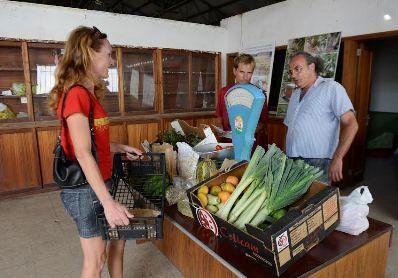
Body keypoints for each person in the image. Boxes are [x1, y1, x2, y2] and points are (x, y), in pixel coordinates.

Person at [49, 26, 142, 278]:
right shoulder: (77, 95)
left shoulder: (90, 94)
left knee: (117, 242)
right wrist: (108, 203)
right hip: (84, 191)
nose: (112, 61)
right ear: (90, 54)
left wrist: (121, 147)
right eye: (109, 54)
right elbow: (82, 153)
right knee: (95, 259)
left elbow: (94, 144)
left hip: (100, 182)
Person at [284, 51, 358, 184]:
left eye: (297, 69)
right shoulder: (295, 95)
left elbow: (351, 124)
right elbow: (291, 128)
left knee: (315, 203)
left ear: (311, 67)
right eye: (291, 71)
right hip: (292, 160)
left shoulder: (332, 88)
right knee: (295, 204)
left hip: (318, 163)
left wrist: (338, 157)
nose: (293, 75)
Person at [215, 53, 268, 146]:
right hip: (227, 142)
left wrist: (247, 135)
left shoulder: (260, 94)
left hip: (249, 144)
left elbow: (262, 123)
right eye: (242, 72)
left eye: (249, 73)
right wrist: (220, 129)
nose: (245, 76)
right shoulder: (223, 92)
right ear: (235, 71)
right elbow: (219, 116)